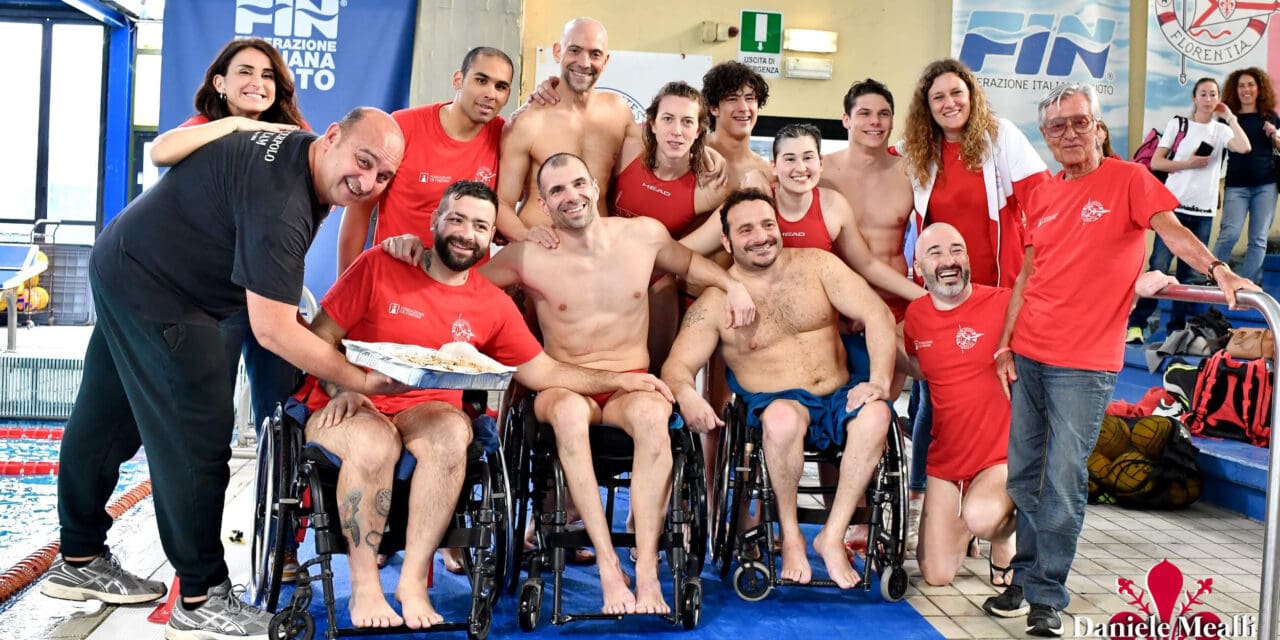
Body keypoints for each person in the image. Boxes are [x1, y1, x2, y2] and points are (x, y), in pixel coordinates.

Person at [42, 107, 407, 640]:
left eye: (383, 176)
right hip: (160, 292)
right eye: (364, 161)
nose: (368, 183)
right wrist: (358, 378)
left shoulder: (299, 155)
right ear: (331, 137)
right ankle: (200, 596)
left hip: (125, 260)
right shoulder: (282, 205)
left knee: (107, 416)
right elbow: (274, 332)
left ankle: (78, 557)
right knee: (197, 441)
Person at [384, 152, 754, 615]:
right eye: (557, 190)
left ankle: (642, 574)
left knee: (653, 413)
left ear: (596, 186)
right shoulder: (528, 256)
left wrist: (733, 285)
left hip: (629, 383)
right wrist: (411, 248)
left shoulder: (642, 235)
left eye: (578, 184)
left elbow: (693, 266)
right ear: (543, 201)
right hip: (562, 385)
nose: (571, 196)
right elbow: (456, 279)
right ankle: (605, 566)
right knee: (568, 413)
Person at [301, 180, 671, 628]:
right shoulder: (381, 263)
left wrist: (622, 381)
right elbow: (319, 338)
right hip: (348, 402)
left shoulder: (491, 304)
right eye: (456, 219)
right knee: (376, 445)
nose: (465, 232)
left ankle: (414, 581)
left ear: (492, 237)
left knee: (455, 433)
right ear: (435, 221)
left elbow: (545, 372)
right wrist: (348, 386)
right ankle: (364, 588)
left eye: (480, 225)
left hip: (424, 409)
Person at [982, 83, 1258, 637]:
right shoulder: (1039, 195)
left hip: (1084, 364)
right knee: (1025, 478)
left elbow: (1174, 232)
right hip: (1029, 355)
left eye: (1079, 122)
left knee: (1061, 481)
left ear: (1099, 127)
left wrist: (1217, 269)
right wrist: (1008, 342)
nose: (1069, 134)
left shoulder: (1130, 180)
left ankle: (1046, 595)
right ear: (1046, 137)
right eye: (1056, 127)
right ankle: (1029, 574)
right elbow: (1026, 279)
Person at [663, 188, 897, 590]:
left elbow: (876, 314)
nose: (761, 236)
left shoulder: (818, 265)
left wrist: (877, 381)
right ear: (726, 241)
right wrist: (686, 395)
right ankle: (791, 537)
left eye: (768, 224)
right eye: (746, 229)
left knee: (878, 413)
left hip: (839, 395)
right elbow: (677, 366)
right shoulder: (717, 302)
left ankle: (831, 535)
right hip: (775, 402)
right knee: (783, 419)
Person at [900, 58, 1051, 548]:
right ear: (927, 106)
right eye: (938, 97)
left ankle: (1003, 517)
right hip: (942, 291)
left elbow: (1042, 198)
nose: (949, 104)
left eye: (956, 94)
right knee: (932, 396)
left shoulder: (1000, 137)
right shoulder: (918, 151)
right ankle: (928, 495)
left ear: (972, 96)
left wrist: (1037, 268)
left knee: (1001, 392)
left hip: (996, 293)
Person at [150, 37, 307, 479]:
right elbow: (159, 151)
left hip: (271, 291)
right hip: (213, 298)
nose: (258, 82)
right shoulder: (206, 125)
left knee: (280, 415)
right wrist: (239, 127)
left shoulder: (294, 133)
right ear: (220, 82)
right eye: (245, 72)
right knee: (207, 416)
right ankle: (201, 527)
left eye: (268, 75)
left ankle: (284, 537)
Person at [903, 222, 1015, 587]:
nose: (948, 260)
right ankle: (964, 526)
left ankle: (1001, 538)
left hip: (999, 455)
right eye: (935, 253)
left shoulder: (1004, 303)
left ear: (968, 258)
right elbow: (917, 367)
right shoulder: (916, 319)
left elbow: (1068, 306)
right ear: (918, 269)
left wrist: (1134, 289)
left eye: (956, 249)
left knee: (983, 517)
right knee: (935, 575)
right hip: (947, 460)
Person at [335, 47, 514, 275]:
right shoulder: (403, 127)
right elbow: (359, 210)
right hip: (395, 282)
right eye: (481, 80)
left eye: (501, 86)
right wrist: (346, 284)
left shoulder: (505, 136)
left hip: (461, 293)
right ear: (458, 79)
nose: (491, 93)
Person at [612, 80, 730, 373]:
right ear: (651, 123)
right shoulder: (627, 152)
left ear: (700, 130)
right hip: (606, 267)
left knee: (664, 285)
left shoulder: (709, 188)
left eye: (687, 122)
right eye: (668, 119)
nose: (677, 131)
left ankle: (656, 383)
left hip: (655, 276)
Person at [494, 17, 638, 246]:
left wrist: (705, 152)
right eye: (574, 50)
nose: (584, 62)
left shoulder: (618, 112)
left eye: (595, 54)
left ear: (606, 60)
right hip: (540, 251)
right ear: (557, 51)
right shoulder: (527, 120)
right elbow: (501, 203)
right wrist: (525, 236)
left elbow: (658, 157)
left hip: (596, 252)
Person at [1128, 77, 1250, 343]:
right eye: (1203, 94)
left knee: (1189, 275)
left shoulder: (1221, 130)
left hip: (1204, 211)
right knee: (1159, 264)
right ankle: (1136, 324)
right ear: (1194, 97)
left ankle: (1176, 330)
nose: (1208, 99)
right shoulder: (1178, 124)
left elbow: (1244, 147)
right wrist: (1189, 163)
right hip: (1172, 207)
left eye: (1213, 94)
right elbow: (1158, 163)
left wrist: (1230, 118)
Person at [821, 79, 917, 324]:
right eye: (864, 113)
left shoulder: (911, 173)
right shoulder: (820, 171)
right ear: (846, 120)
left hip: (895, 303)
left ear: (892, 121)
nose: (875, 121)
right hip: (837, 307)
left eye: (883, 114)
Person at [1214, 67, 1279, 283]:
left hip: (1266, 186)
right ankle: (1213, 281)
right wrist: (1215, 188)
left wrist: (1274, 136)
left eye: (1251, 85)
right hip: (1236, 186)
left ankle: (1249, 286)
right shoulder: (1227, 119)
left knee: (1258, 239)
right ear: (1235, 89)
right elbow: (1219, 156)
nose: (1246, 89)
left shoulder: (1270, 117)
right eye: (1241, 85)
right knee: (1228, 235)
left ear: (1259, 89)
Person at [702, 61, 774, 189]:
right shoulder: (691, 154)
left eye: (750, 98)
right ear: (714, 108)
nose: (744, 108)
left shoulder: (766, 172)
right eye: (732, 99)